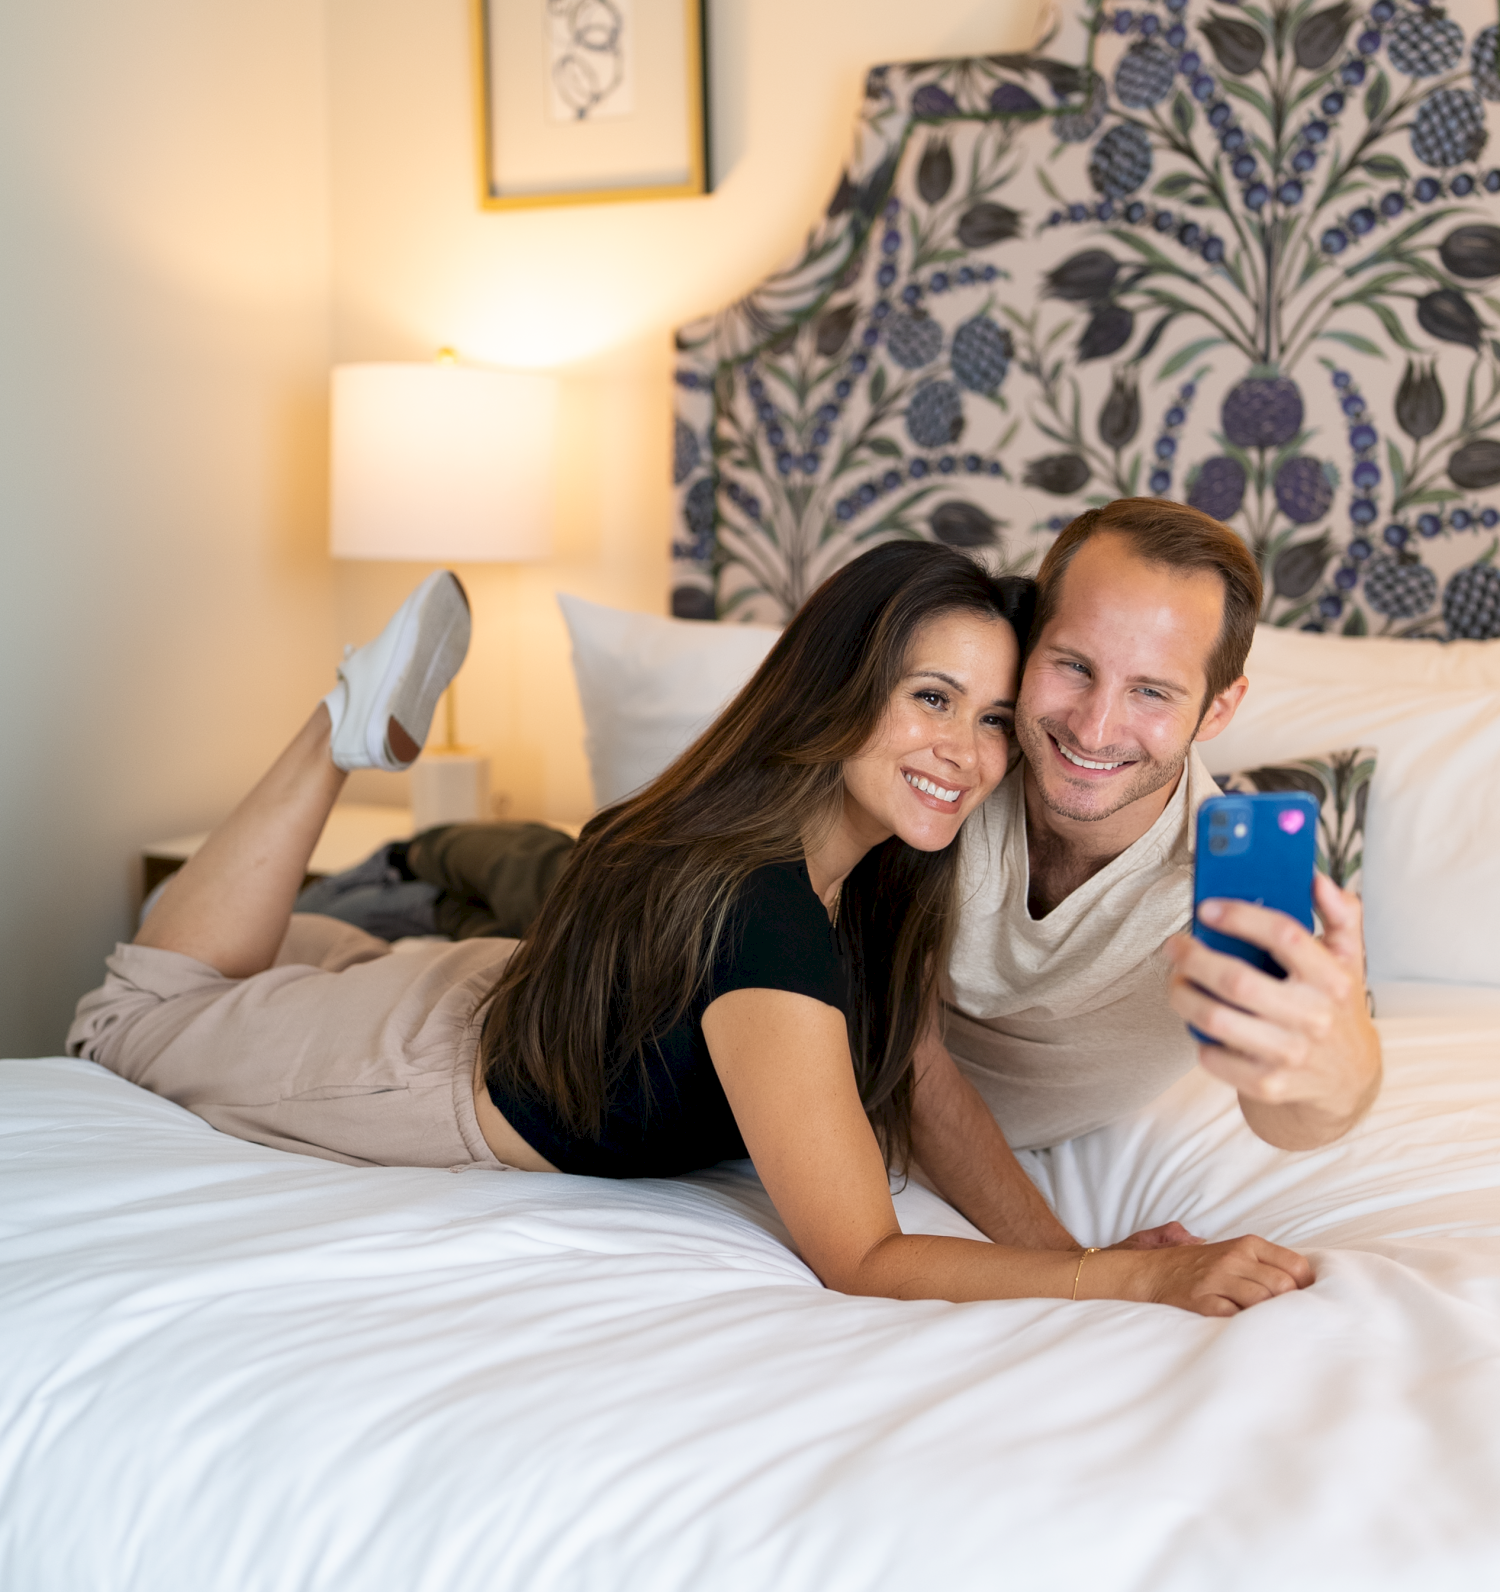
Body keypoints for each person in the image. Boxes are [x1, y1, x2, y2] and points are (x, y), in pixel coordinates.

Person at [68, 543, 1312, 1316]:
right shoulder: (765, 917)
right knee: (136, 1013)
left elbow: (921, 1071)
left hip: (518, 992)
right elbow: (864, 1254)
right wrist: (1131, 1281)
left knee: (312, 952)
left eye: (991, 717)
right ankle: (341, 729)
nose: (967, 751)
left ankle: (334, 937)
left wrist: (1073, 1247)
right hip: (424, 1070)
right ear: (844, 692)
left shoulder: (881, 873)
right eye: (930, 698)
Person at [907, 499, 1384, 1259]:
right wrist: (1074, 1269)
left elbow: (1287, 1109)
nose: (1093, 729)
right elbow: (902, 1052)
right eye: (1073, 666)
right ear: (1028, 647)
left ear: (1220, 707)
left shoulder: (1221, 892)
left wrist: (1346, 1074)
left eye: (1152, 692)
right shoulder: (944, 771)